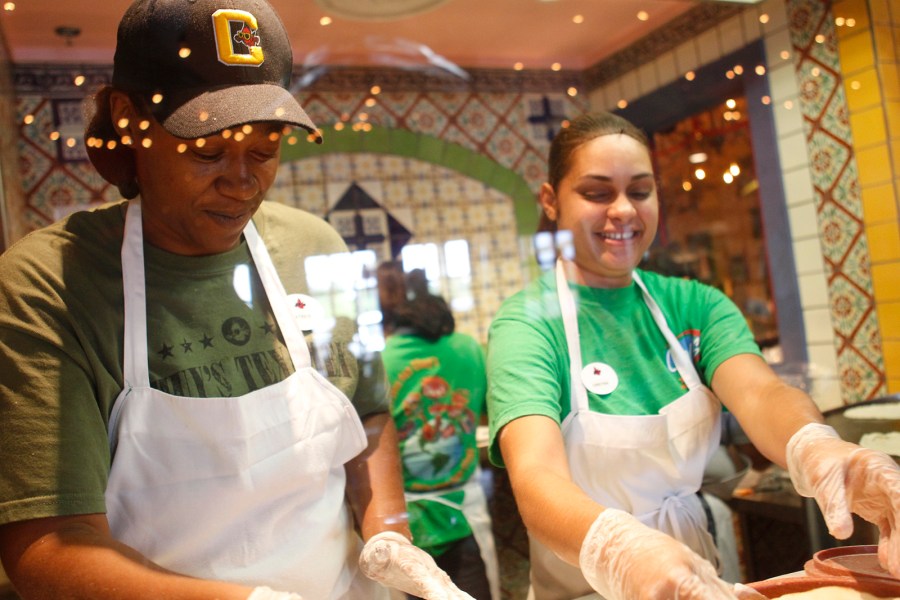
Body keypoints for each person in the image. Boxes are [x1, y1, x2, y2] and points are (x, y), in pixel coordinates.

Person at [0, 1, 475, 599]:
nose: (243, 181)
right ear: (128, 118)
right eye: (208, 151)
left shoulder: (312, 246)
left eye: (265, 149)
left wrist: (388, 534)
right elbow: (49, 547)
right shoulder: (51, 283)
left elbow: (368, 415)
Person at [485, 111, 900, 600]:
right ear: (551, 201)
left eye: (639, 191)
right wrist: (620, 550)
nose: (623, 210)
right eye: (598, 193)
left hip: (700, 577)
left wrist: (819, 447)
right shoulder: (529, 324)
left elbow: (761, 394)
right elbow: (536, 477)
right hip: (585, 586)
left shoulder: (695, 305)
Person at [378, 264, 500, 600]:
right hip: (465, 508)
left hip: (404, 519)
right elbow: (492, 411)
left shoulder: (382, 361)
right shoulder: (469, 349)